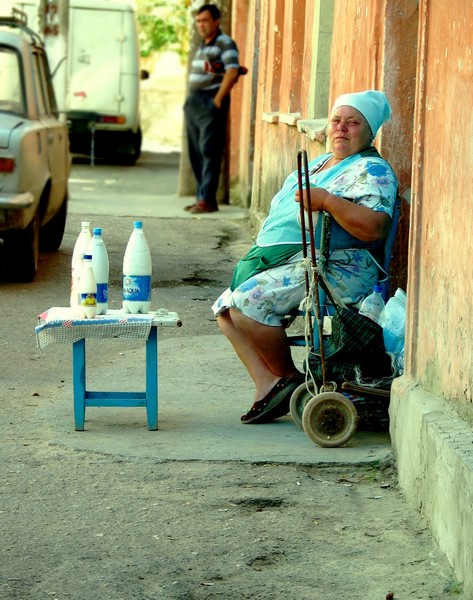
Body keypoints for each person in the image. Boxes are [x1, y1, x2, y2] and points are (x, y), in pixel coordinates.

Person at [212, 90, 399, 424]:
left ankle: (291, 380)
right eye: (337, 121)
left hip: (338, 265)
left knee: (246, 305)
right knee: (226, 311)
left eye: (352, 123)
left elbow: (374, 228)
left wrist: (328, 201)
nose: (341, 128)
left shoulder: (373, 171)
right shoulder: (318, 164)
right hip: (294, 259)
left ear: (369, 131)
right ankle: (268, 384)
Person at [183, 4, 241, 214]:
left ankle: (208, 200)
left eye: (205, 20)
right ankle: (201, 198)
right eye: (198, 21)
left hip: (210, 101)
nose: (201, 25)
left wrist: (217, 100)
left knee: (209, 150)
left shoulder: (225, 43)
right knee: (196, 151)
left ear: (217, 21)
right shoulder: (203, 45)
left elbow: (233, 71)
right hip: (194, 102)